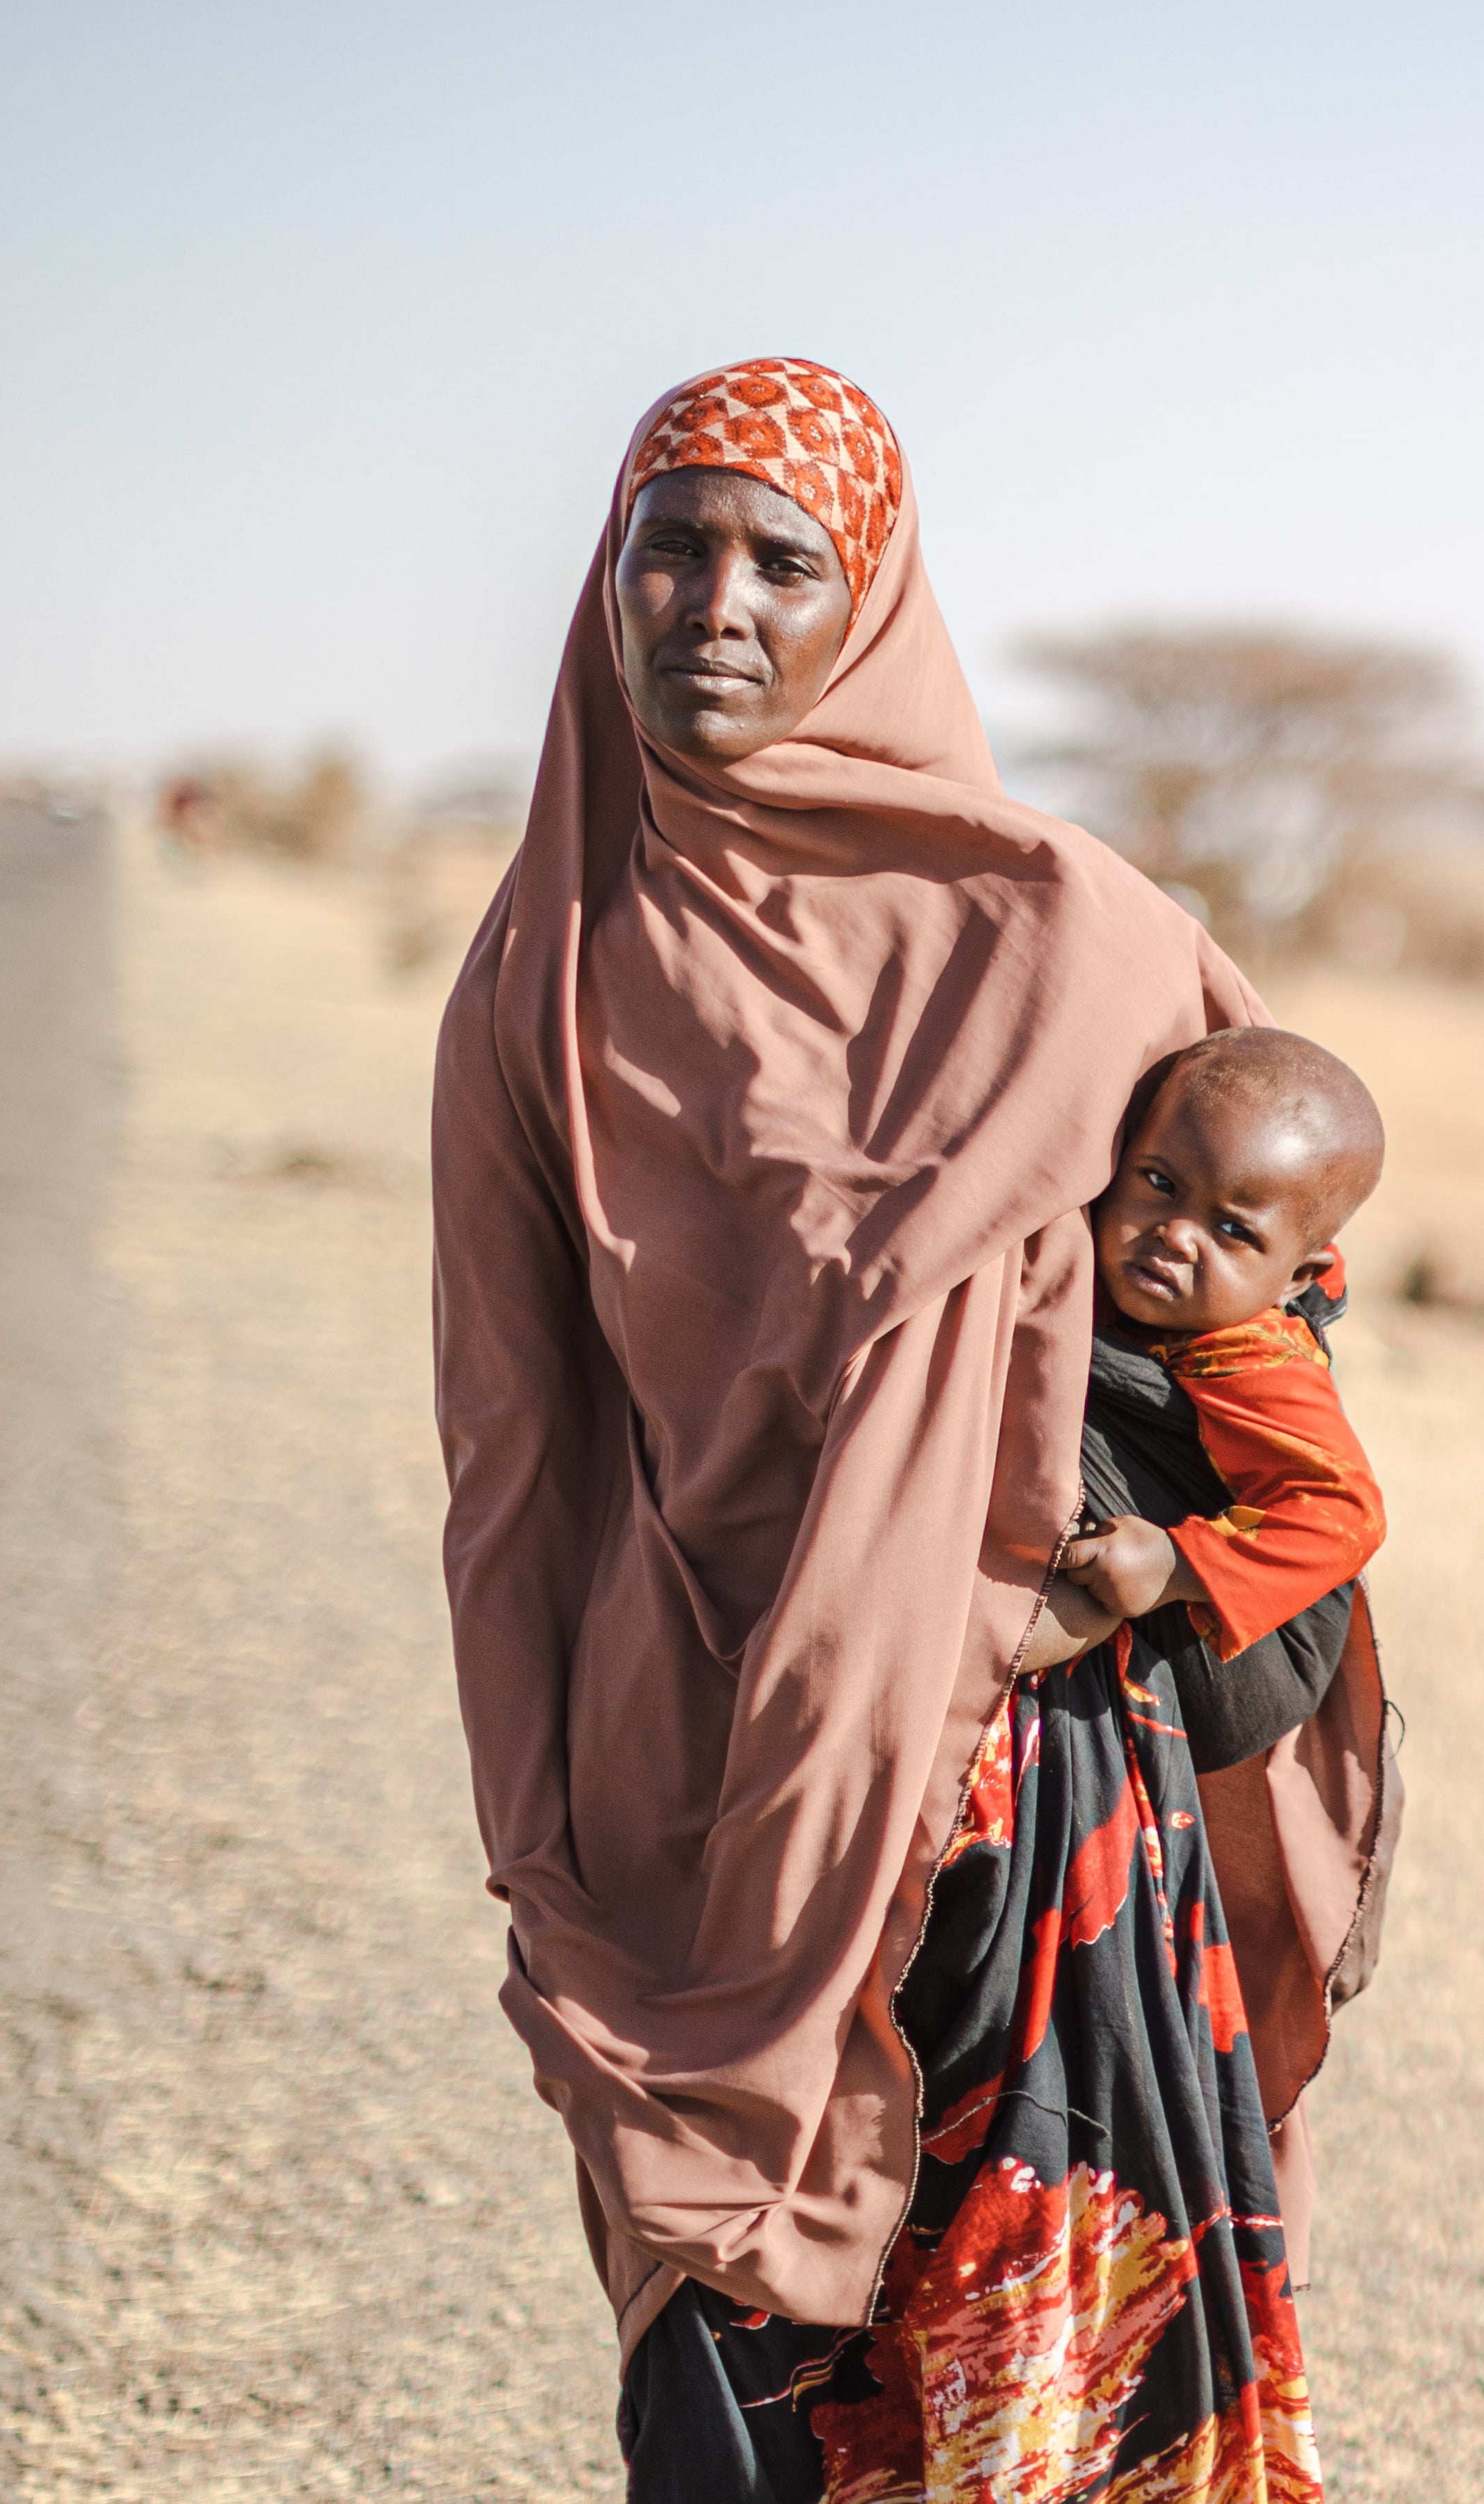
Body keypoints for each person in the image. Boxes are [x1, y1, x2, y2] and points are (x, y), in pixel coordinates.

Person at [431, 358, 1392, 2503]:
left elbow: (1279, 1313)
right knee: (729, 2395)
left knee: (1025, 2404)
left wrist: (1140, 1574)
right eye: (667, 543)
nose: (714, 600)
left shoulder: (1080, 939)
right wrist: (541, 1827)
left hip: (1034, 1808)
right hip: (709, 1778)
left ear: (867, 597)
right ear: (604, 578)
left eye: (783, 557)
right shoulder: (543, 979)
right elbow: (514, 1452)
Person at [1058, 1028, 1393, 1774]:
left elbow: (1345, 1514)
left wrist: (1177, 1564)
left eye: (1232, 1229)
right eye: (1158, 1184)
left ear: (1295, 1278)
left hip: (1249, 1666)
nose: (1175, 1236)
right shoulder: (1132, 1287)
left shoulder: (1255, 1360)